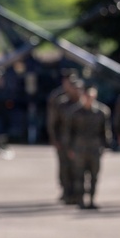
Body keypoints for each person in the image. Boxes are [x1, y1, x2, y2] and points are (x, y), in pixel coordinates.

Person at [65, 86, 111, 209]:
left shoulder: (102, 112)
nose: (88, 99)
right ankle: (80, 200)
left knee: (94, 176)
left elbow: (105, 131)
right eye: (86, 97)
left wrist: (105, 145)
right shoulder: (74, 112)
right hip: (79, 148)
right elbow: (69, 131)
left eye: (91, 97)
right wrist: (69, 148)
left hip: (95, 148)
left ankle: (91, 200)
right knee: (79, 176)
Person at [47, 73, 82, 204]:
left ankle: (78, 192)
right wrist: (54, 139)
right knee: (64, 167)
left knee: (78, 167)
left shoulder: (82, 102)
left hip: (78, 141)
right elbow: (53, 122)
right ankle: (66, 191)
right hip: (63, 140)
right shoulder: (60, 101)